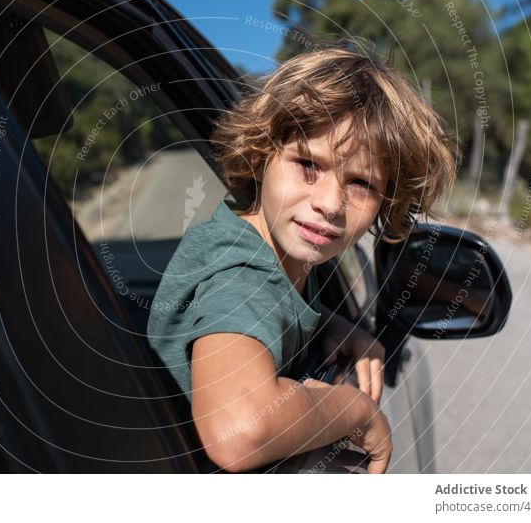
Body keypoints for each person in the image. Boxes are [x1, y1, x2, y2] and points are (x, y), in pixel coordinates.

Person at [147, 46, 457, 474]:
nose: (330, 203)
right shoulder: (243, 277)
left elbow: (273, 303)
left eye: (362, 183)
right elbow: (237, 433)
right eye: (308, 165)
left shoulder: (260, 249)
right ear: (261, 155)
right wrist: (353, 411)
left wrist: (330, 322)